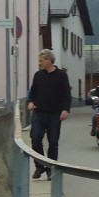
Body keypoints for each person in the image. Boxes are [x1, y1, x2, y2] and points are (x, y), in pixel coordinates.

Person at [27, 49, 71, 179]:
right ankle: (39, 166)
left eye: (41, 61)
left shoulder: (61, 75)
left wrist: (65, 110)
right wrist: (30, 102)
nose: (39, 63)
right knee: (35, 139)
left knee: (53, 142)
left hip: (55, 114)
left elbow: (66, 94)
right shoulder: (38, 75)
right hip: (39, 113)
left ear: (49, 60)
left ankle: (51, 168)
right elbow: (32, 92)